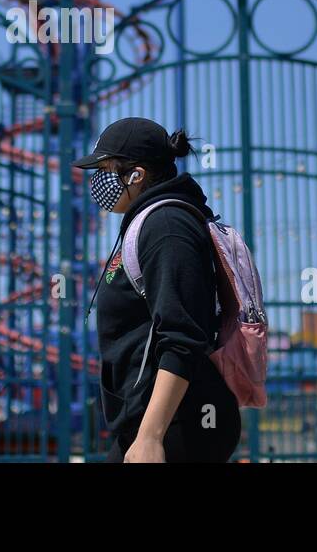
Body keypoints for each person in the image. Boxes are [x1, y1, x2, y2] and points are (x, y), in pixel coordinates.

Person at [74, 117, 241, 463]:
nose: (97, 180)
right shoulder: (146, 221)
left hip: (178, 425)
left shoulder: (166, 226)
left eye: (105, 169)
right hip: (155, 421)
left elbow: (182, 336)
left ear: (136, 175)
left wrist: (151, 437)